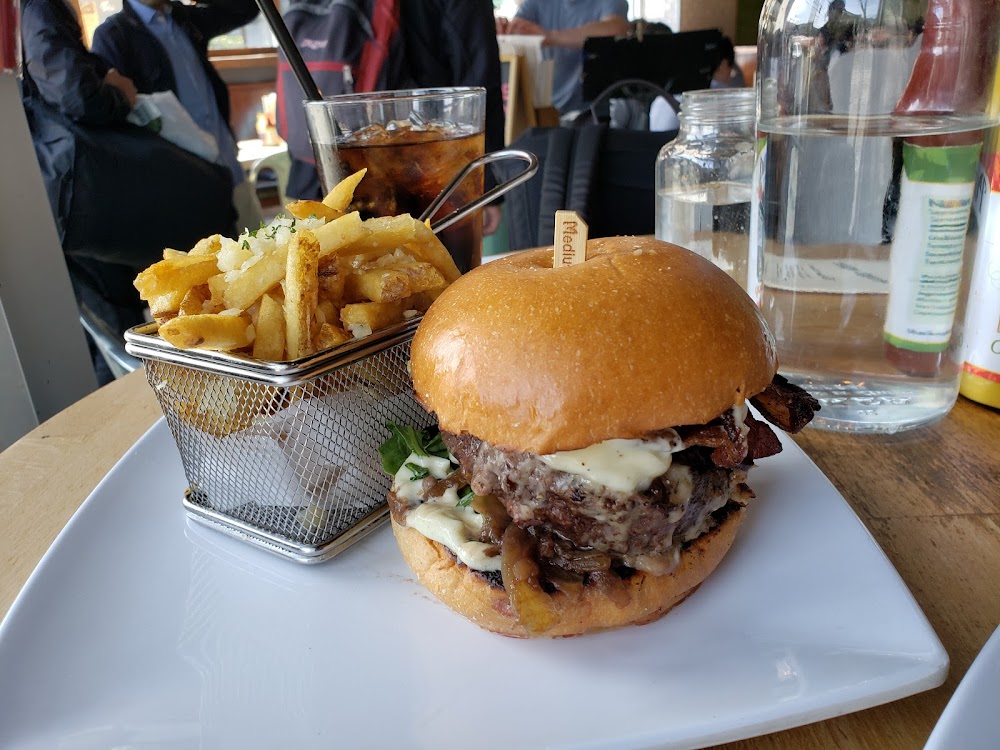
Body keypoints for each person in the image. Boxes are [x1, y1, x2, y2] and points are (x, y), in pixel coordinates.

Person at [20, 0, 238, 384]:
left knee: (111, 326)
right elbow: (77, 94)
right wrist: (119, 91)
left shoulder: (181, 19)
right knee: (125, 323)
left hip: (60, 197)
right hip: (80, 188)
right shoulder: (41, 7)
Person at [90, 0, 262, 232]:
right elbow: (116, 123)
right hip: (182, 186)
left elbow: (246, 8)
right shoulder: (113, 35)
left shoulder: (184, 18)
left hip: (229, 166)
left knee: (261, 244)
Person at [496, 0, 630, 116]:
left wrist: (549, 37)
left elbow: (616, 28)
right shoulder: (535, 3)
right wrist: (502, 29)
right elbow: (516, 30)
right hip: (546, 108)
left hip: (592, 110)